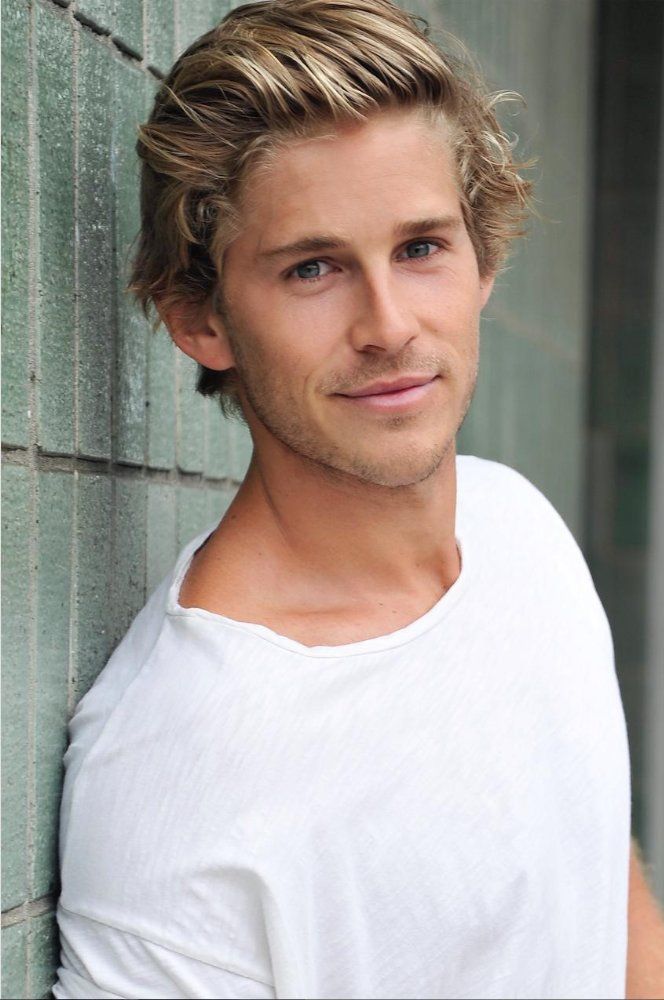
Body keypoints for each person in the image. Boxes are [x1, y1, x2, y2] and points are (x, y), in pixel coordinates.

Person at [53, 1, 664, 997]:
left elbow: (599, 885)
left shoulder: (519, 528)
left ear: (483, 263)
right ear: (201, 320)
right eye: (314, 267)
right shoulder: (176, 762)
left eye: (420, 248)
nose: (387, 325)